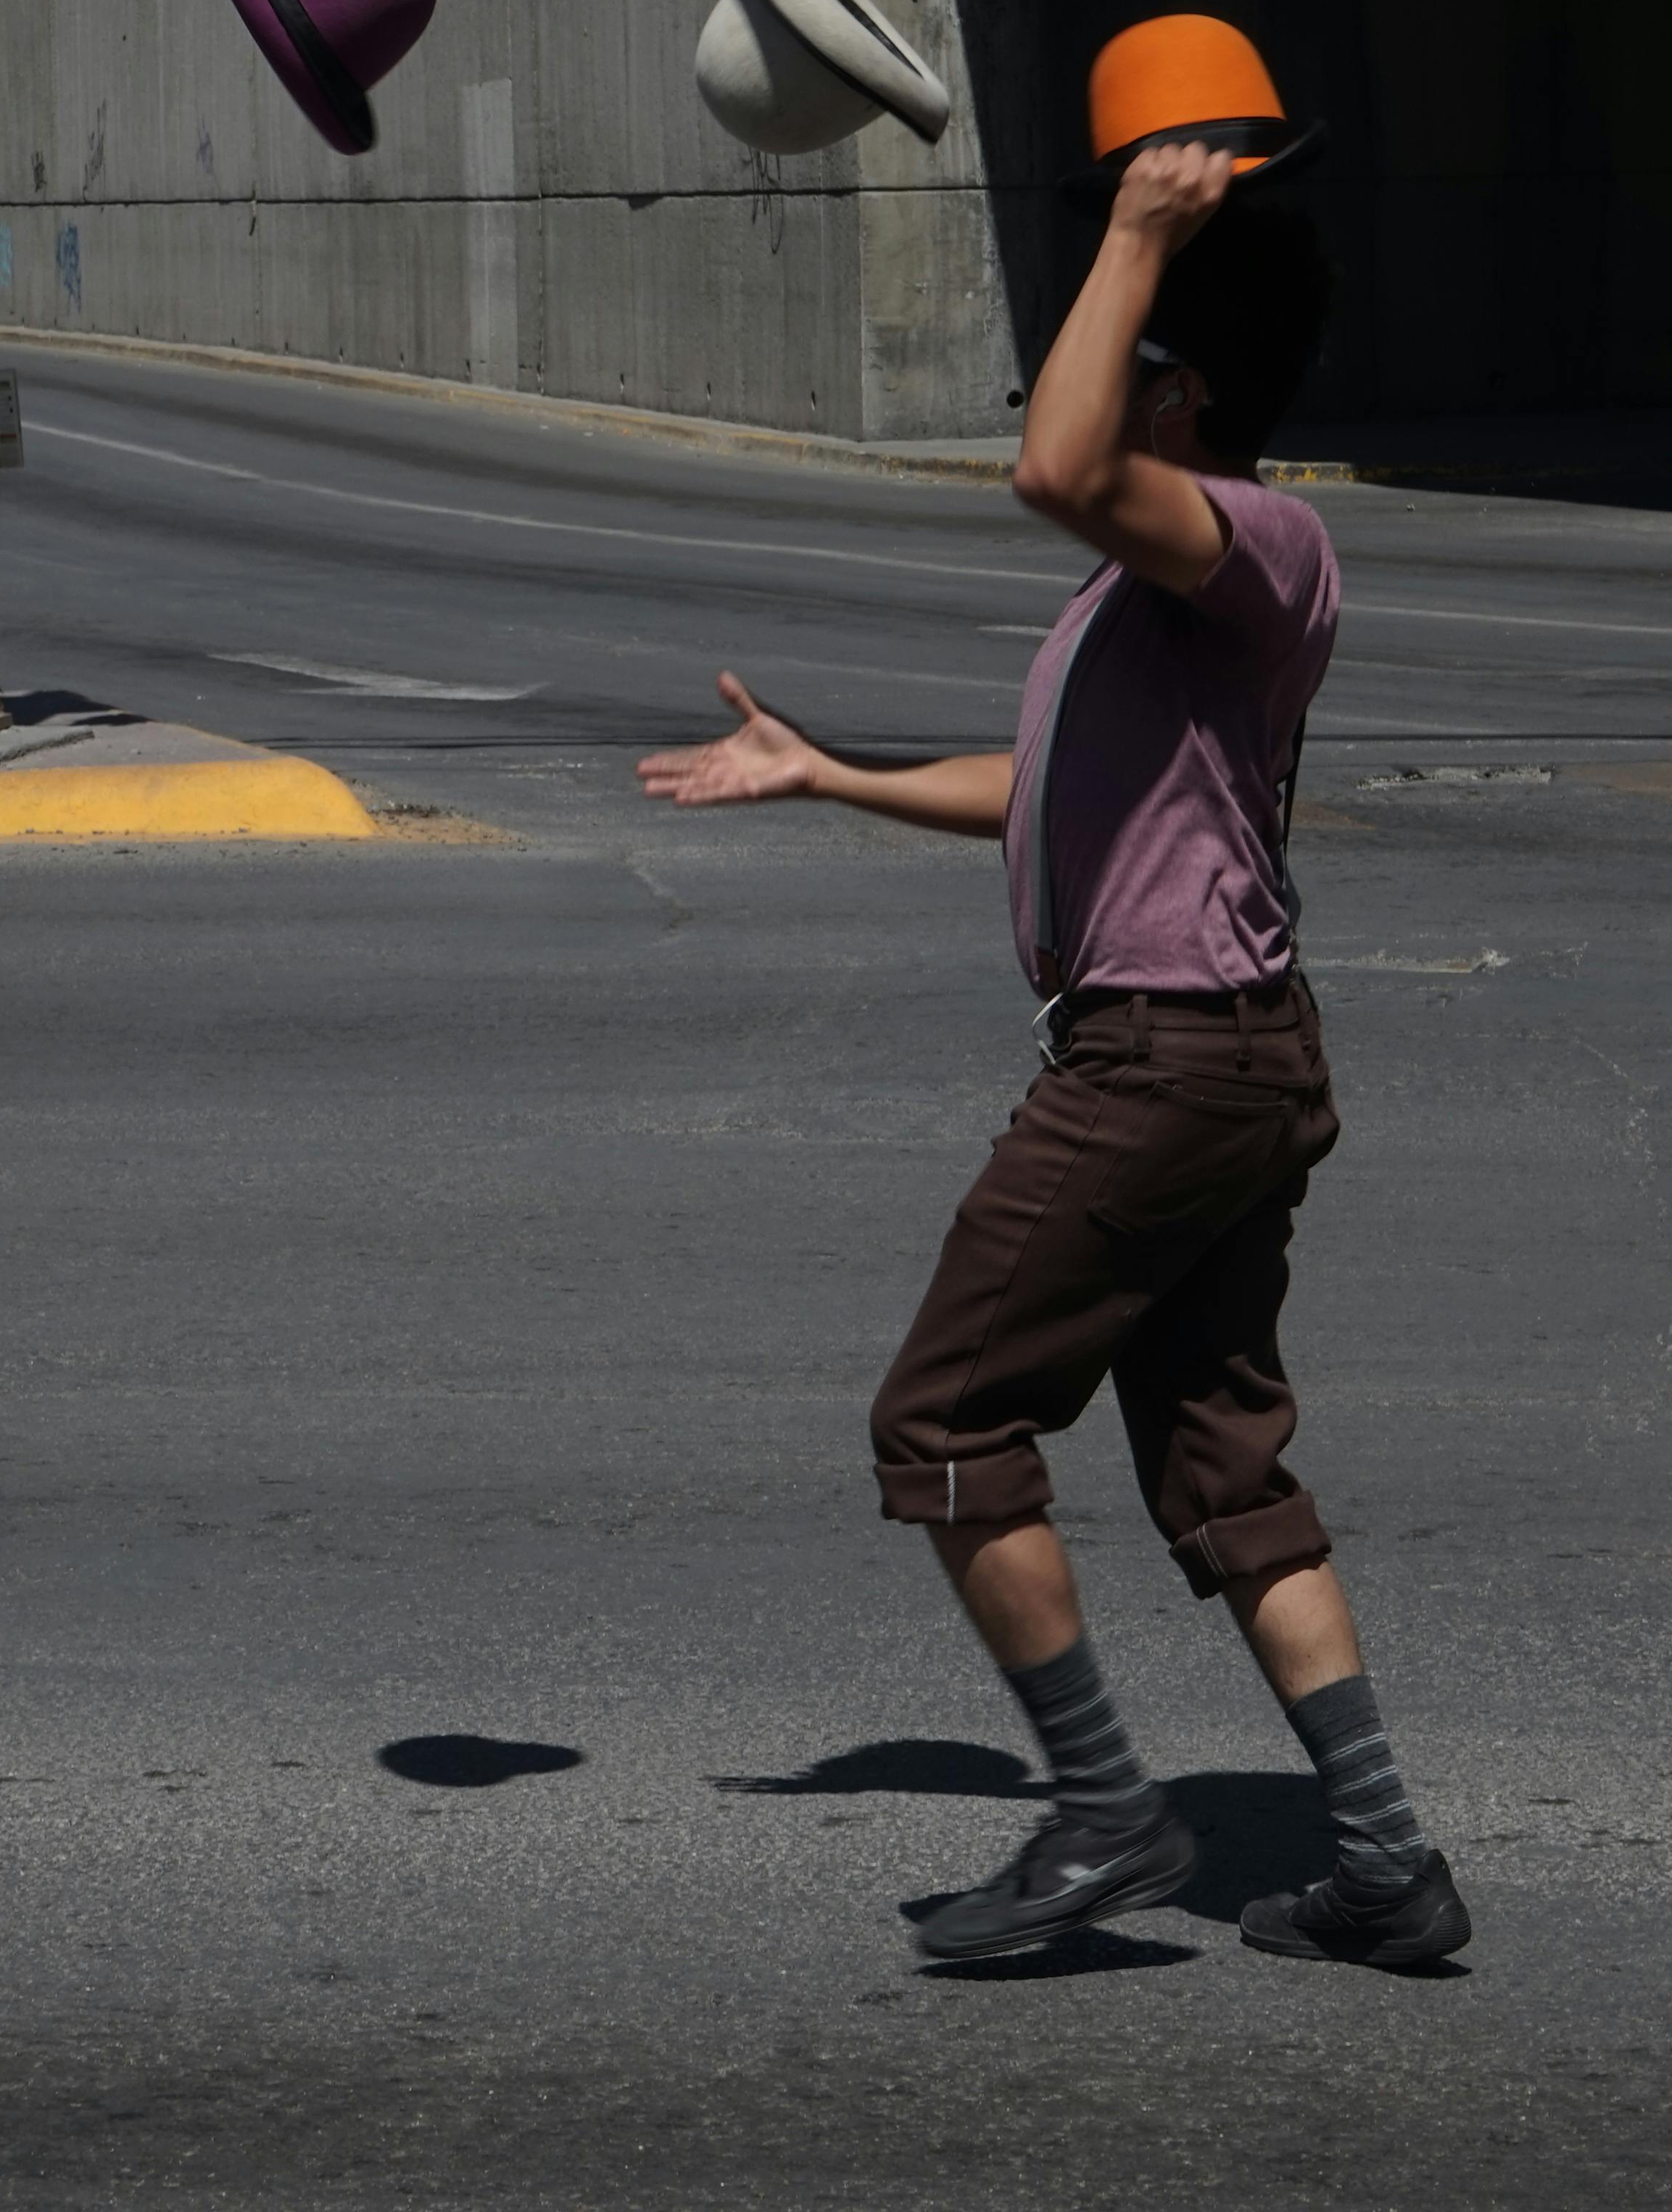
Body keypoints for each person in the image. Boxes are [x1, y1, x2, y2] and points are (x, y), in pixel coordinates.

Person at [638, 99, 1466, 1972]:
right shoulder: (1153, 597)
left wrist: (1142, 244)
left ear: (1181, 396)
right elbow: (1045, 785)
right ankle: (1387, 1868)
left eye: (1132, 359)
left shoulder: (1260, 545)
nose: (1095, 378)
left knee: (945, 1425)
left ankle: (1104, 1819)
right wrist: (826, 773)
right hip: (1223, 1066)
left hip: (1163, 1067)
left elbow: (1052, 463)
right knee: (1225, 1474)